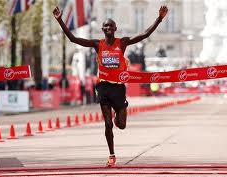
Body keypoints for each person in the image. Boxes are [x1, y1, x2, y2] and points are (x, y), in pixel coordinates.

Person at [53, 5, 168, 167]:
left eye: (110, 26)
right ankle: (112, 155)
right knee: (107, 124)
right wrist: (59, 20)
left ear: (115, 28)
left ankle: (120, 112)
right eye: (105, 26)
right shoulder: (97, 44)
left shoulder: (122, 43)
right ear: (102, 29)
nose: (108, 28)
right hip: (104, 87)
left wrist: (159, 18)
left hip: (119, 89)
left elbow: (145, 34)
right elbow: (73, 39)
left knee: (120, 125)